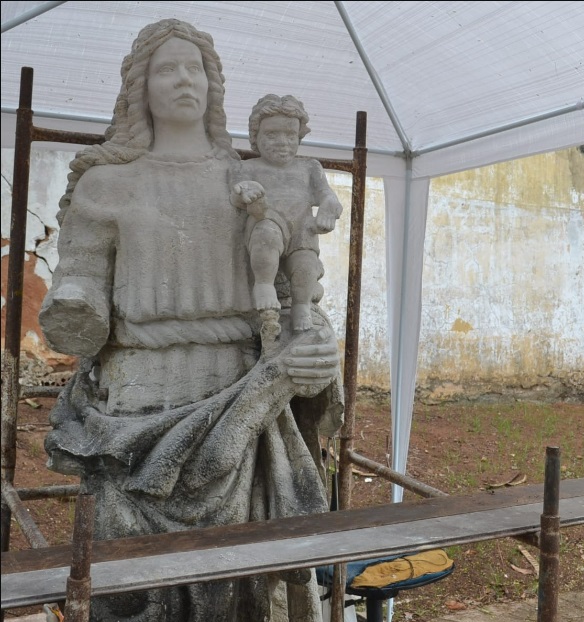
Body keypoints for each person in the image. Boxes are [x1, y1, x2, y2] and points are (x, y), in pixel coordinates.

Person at [38, 18, 342, 622]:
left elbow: (291, 291)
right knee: (131, 583)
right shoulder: (106, 184)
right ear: (139, 87)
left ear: (213, 86)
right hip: (134, 412)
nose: (184, 80)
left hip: (240, 397)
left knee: (243, 589)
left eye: (195, 68)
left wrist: (316, 340)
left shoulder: (246, 181)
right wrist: (74, 306)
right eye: (167, 68)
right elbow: (80, 292)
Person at [231, 94, 343, 333]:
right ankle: (263, 285)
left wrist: (328, 208)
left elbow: (327, 196)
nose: (282, 141)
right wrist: (245, 193)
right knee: (266, 236)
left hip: (302, 230)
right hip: (266, 220)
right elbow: (235, 197)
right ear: (255, 137)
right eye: (272, 134)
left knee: (306, 265)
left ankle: (301, 305)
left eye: (290, 135)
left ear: (299, 137)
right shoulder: (246, 168)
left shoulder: (309, 167)